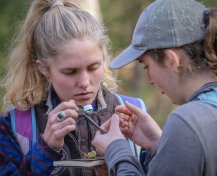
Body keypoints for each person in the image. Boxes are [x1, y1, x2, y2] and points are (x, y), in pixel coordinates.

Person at [91, 0, 217, 175]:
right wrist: (160, 145)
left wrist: (116, 150)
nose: (150, 79)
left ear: (171, 60)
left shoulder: (188, 122)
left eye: (147, 66)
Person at [0, 0, 144, 175]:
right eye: (70, 72)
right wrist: (45, 150)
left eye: (93, 67)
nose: (84, 82)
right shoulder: (16, 125)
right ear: (44, 68)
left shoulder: (135, 113)